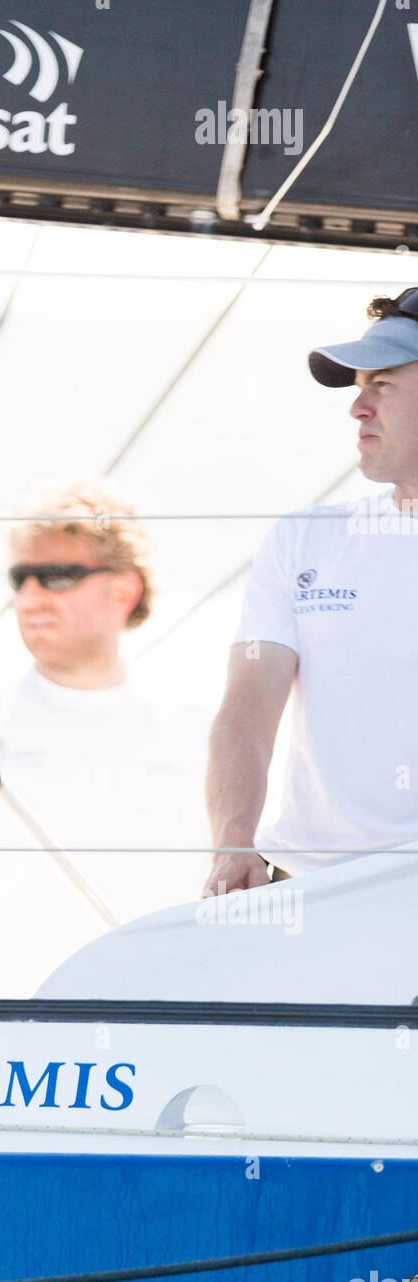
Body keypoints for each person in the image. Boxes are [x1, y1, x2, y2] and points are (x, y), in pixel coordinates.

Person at [0, 481, 210, 997]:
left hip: (160, 1028)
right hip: (8, 1037)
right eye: (21, 577)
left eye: (56, 577)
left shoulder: (199, 732)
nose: (29, 597)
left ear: (124, 591)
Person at [204, 288, 418, 897]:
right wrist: (233, 844)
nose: (358, 407)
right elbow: (246, 710)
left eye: (384, 384)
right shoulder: (304, 539)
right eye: (359, 385)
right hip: (308, 894)